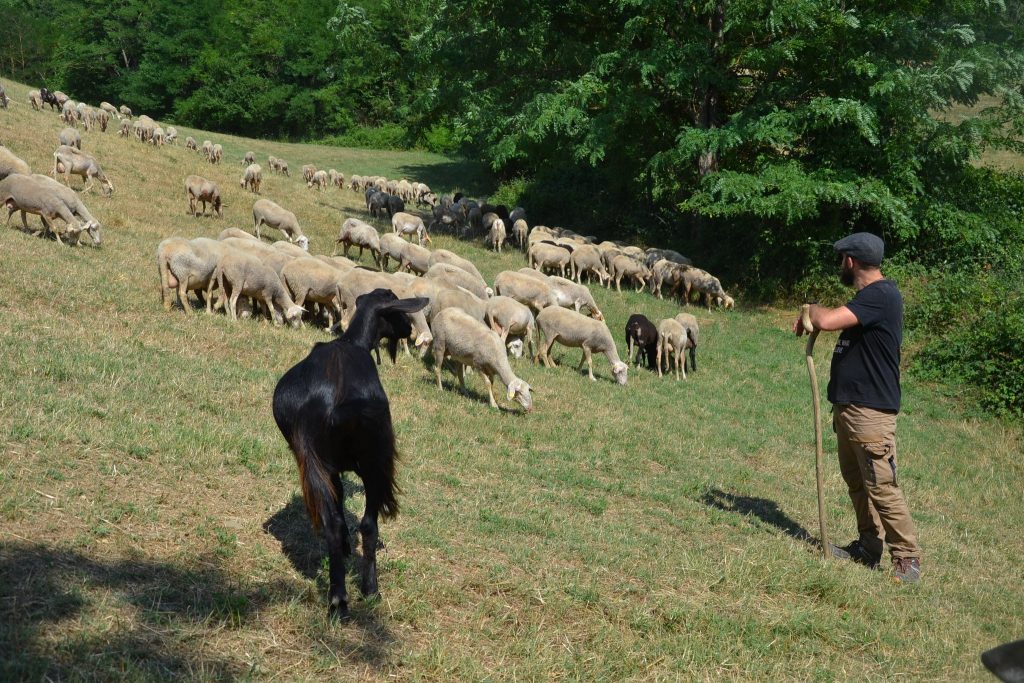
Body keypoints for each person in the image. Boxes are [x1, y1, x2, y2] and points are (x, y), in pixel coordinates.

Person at [794, 232, 921, 583]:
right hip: (851, 410)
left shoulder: (882, 295)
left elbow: (827, 320)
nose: (840, 266)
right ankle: (868, 548)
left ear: (850, 261)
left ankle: (907, 561)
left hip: (870, 414)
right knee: (858, 483)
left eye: (841, 260)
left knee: (881, 485)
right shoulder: (869, 299)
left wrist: (811, 311)